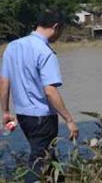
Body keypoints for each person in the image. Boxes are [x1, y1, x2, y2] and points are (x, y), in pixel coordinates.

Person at [0, 10, 79, 183]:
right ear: (56, 27)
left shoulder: (12, 47)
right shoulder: (45, 52)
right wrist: (69, 119)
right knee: (39, 161)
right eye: (61, 31)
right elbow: (50, 90)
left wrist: (5, 111)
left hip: (23, 116)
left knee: (47, 157)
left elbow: (4, 82)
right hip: (42, 118)